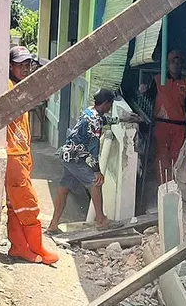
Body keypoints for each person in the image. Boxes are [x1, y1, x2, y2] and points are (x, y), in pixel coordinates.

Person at [50, 89, 138, 231]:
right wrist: (97, 171)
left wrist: (123, 119)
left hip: (67, 154)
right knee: (96, 183)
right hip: (75, 158)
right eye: (110, 104)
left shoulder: (90, 111)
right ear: (106, 103)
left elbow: (103, 120)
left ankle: (53, 225)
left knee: (64, 189)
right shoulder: (95, 120)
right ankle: (101, 220)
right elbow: (94, 147)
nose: (110, 108)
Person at [5, 46, 59, 265]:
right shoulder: (8, 86)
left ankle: (20, 247)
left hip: (21, 153)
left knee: (16, 205)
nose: (26, 69)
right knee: (27, 203)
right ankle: (34, 247)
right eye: (21, 65)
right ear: (10, 66)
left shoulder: (19, 85)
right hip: (14, 155)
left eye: (28, 64)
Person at [145, 49, 186, 182]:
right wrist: (143, 91)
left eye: (178, 63)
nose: (175, 66)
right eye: (173, 62)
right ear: (168, 64)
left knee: (177, 157)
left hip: (179, 126)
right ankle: (162, 185)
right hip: (161, 124)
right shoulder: (157, 80)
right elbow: (148, 98)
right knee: (161, 156)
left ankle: (174, 185)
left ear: (182, 65)